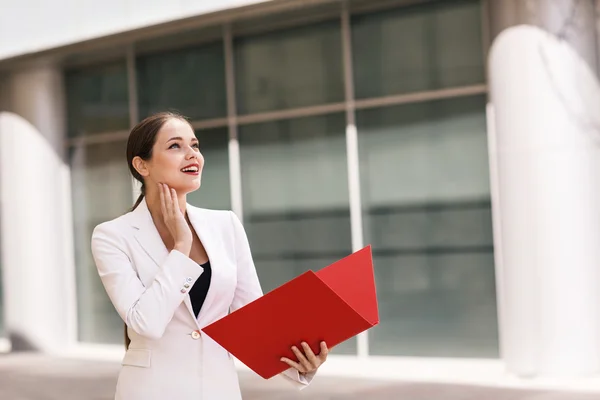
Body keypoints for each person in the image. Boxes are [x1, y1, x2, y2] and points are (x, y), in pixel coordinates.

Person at [90, 111, 328, 400]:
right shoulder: (113, 236)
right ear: (142, 165)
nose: (192, 155)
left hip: (218, 390)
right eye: (175, 146)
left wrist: (300, 366)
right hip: (151, 391)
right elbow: (146, 323)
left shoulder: (225, 225)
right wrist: (181, 246)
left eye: (195, 145)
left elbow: (252, 319)